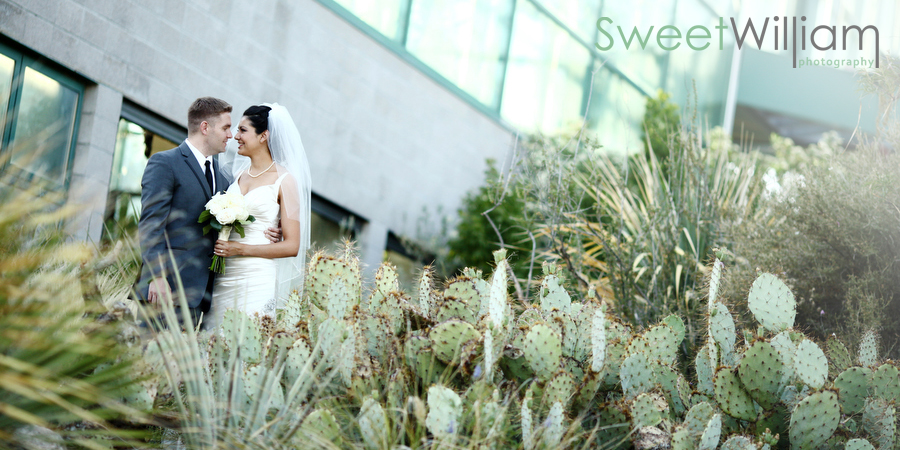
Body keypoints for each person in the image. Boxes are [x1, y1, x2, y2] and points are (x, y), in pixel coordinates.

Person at [136, 97, 280, 328]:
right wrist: (157, 276)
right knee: (149, 361)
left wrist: (271, 229)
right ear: (205, 127)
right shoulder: (165, 163)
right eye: (225, 128)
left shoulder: (225, 179)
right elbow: (150, 225)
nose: (231, 135)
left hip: (201, 296)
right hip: (165, 290)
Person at [207, 104, 311, 327]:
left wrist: (241, 249)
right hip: (224, 276)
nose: (236, 136)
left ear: (264, 135)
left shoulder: (285, 180)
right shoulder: (237, 175)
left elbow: (292, 246)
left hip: (256, 278)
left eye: (243, 131)